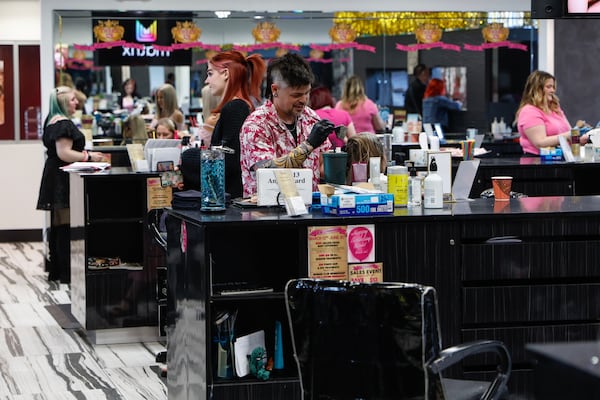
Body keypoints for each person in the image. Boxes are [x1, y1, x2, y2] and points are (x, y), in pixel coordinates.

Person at [240, 53, 336, 198]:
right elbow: (269, 172)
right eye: (296, 95)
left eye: (307, 93)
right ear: (275, 90)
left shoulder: (310, 118)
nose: (303, 100)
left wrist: (343, 159)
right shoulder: (256, 125)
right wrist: (309, 145)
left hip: (309, 211)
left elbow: (323, 167)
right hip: (266, 214)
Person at [36, 86, 105, 283]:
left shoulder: (52, 121)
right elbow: (64, 153)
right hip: (62, 179)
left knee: (59, 226)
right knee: (65, 226)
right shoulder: (62, 123)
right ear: (64, 102)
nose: (76, 103)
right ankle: (67, 273)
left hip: (55, 176)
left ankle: (59, 270)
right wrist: (89, 156)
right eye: (73, 99)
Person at [206, 50, 266, 198]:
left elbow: (229, 162)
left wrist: (190, 158)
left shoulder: (235, 108)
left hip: (232, 199)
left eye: (210, 74)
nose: (207, 81)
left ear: (225, 73)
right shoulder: (240, 106)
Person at [516, 70, 574, 156]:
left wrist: (582, 136)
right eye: (549, 87)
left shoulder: (555, 108)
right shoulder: (529, 111)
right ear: (537, 89)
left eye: (553, 87)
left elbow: (570, 132)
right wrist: (567, 136)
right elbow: (540, 142)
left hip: (560, 159)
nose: (553, 90)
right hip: (538, 162)